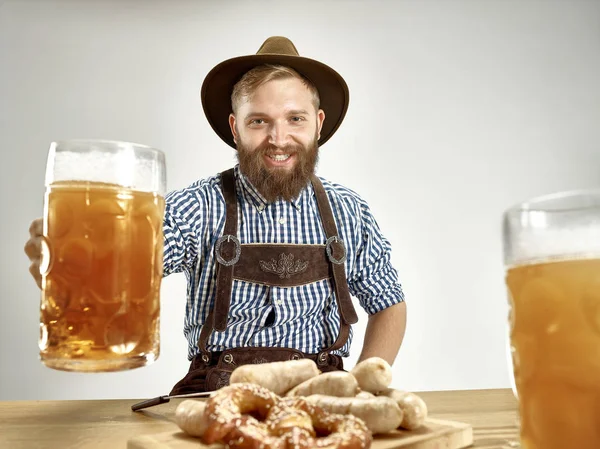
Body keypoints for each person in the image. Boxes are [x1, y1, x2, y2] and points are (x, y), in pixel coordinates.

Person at [25, 36, 407, 394]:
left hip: (321, 394)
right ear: (235, 129)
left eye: (295, 119)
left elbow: (389, 303)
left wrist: (362, 390)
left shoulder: (348, 211)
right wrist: (74, 262)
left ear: (318, 124)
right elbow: (126, 265)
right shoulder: (197, 206)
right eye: (259, 121)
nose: (278, 138)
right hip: (213, 394)